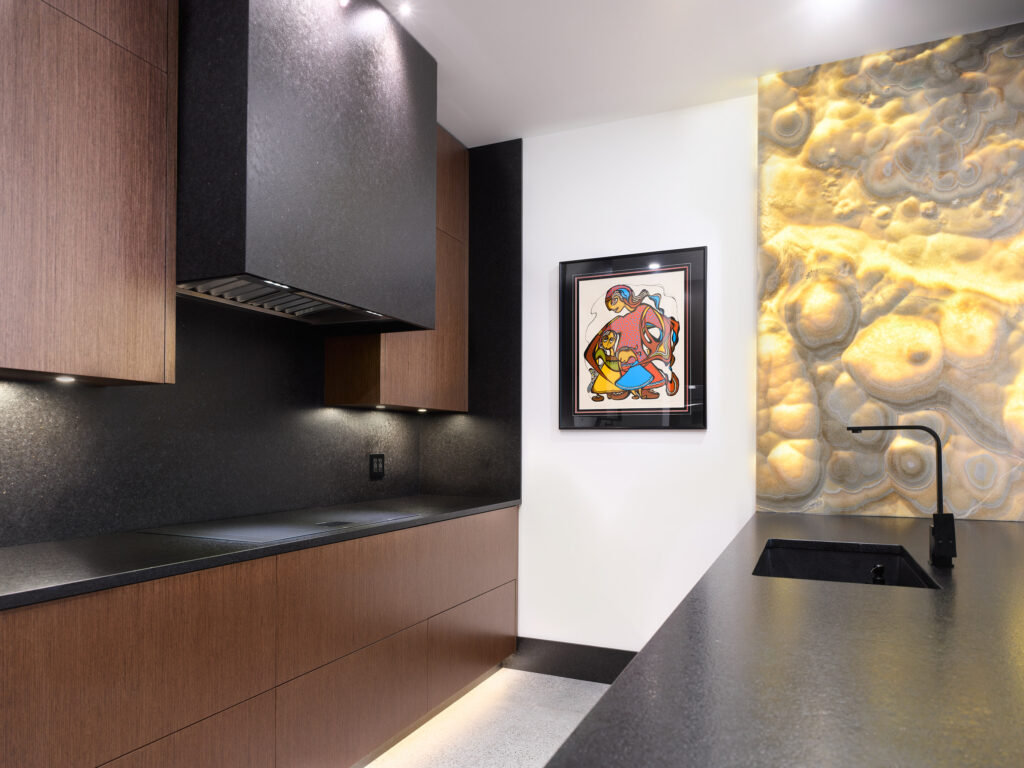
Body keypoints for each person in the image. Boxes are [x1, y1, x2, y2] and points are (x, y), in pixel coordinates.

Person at [584, 284, 679, 400]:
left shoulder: (643, 311)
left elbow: (664, 326)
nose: (611, 309)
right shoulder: (619, 320)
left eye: (612, 304)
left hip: (639, 357)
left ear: (618, 298)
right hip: (623, 360)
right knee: (636, 378)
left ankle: (641, 389)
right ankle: (629, 390)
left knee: (657, 379)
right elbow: (603, 334)